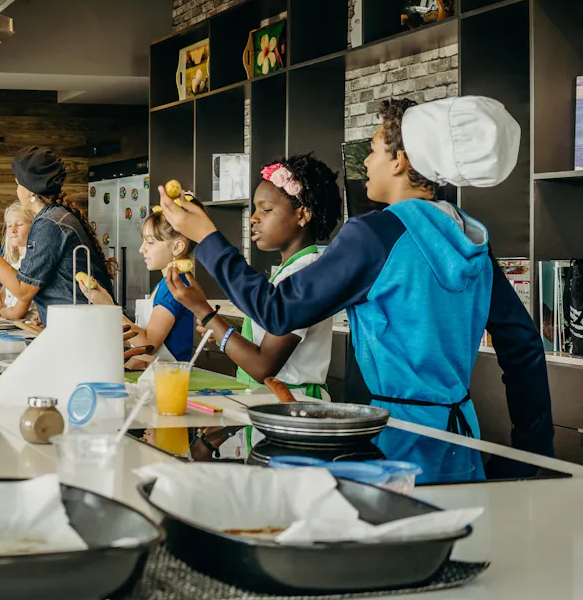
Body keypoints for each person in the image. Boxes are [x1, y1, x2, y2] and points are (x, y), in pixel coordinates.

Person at [158, 97, 555, 475]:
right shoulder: (470, 236)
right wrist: (530, 454)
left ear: (400, 161)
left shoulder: (375, 234)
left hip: (398, 440)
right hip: (461, 436)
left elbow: (276, 311)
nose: (365, 162)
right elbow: (522, 344)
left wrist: (207, 237)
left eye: (374, 150)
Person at [168, 154, 342, 399]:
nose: (253, 218)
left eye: (267, 209)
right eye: (255, 209)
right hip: (268, 402)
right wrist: (220, 328)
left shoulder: (303, 274)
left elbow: (263, 366)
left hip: (292, 405)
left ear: (302, 215)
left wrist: (206, 314)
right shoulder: (288, 271)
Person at [0, 146, 115, 325]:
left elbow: (23, 290)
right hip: (78, 324)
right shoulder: (55, 217)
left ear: (30, 191)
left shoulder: (49, 224)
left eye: (18, 184)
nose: (17, 189)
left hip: (82, 327)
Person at [77, 208, 208, 370]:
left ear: (177, 247)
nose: (142, 249)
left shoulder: (174, 286)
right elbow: (139, 339)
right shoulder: (164, 284)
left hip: (168, 377)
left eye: (150, 242)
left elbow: (148, 344)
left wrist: (109, 307)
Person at [0, 201, 35, 318]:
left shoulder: (34, 262)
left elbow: (18, 313)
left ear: (35, 226)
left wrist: (1, 312)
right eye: (9, 225)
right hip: (9, 325)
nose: (12, 230)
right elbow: (3, 298)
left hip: (28, 326)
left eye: (19, 224)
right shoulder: (12, 262)